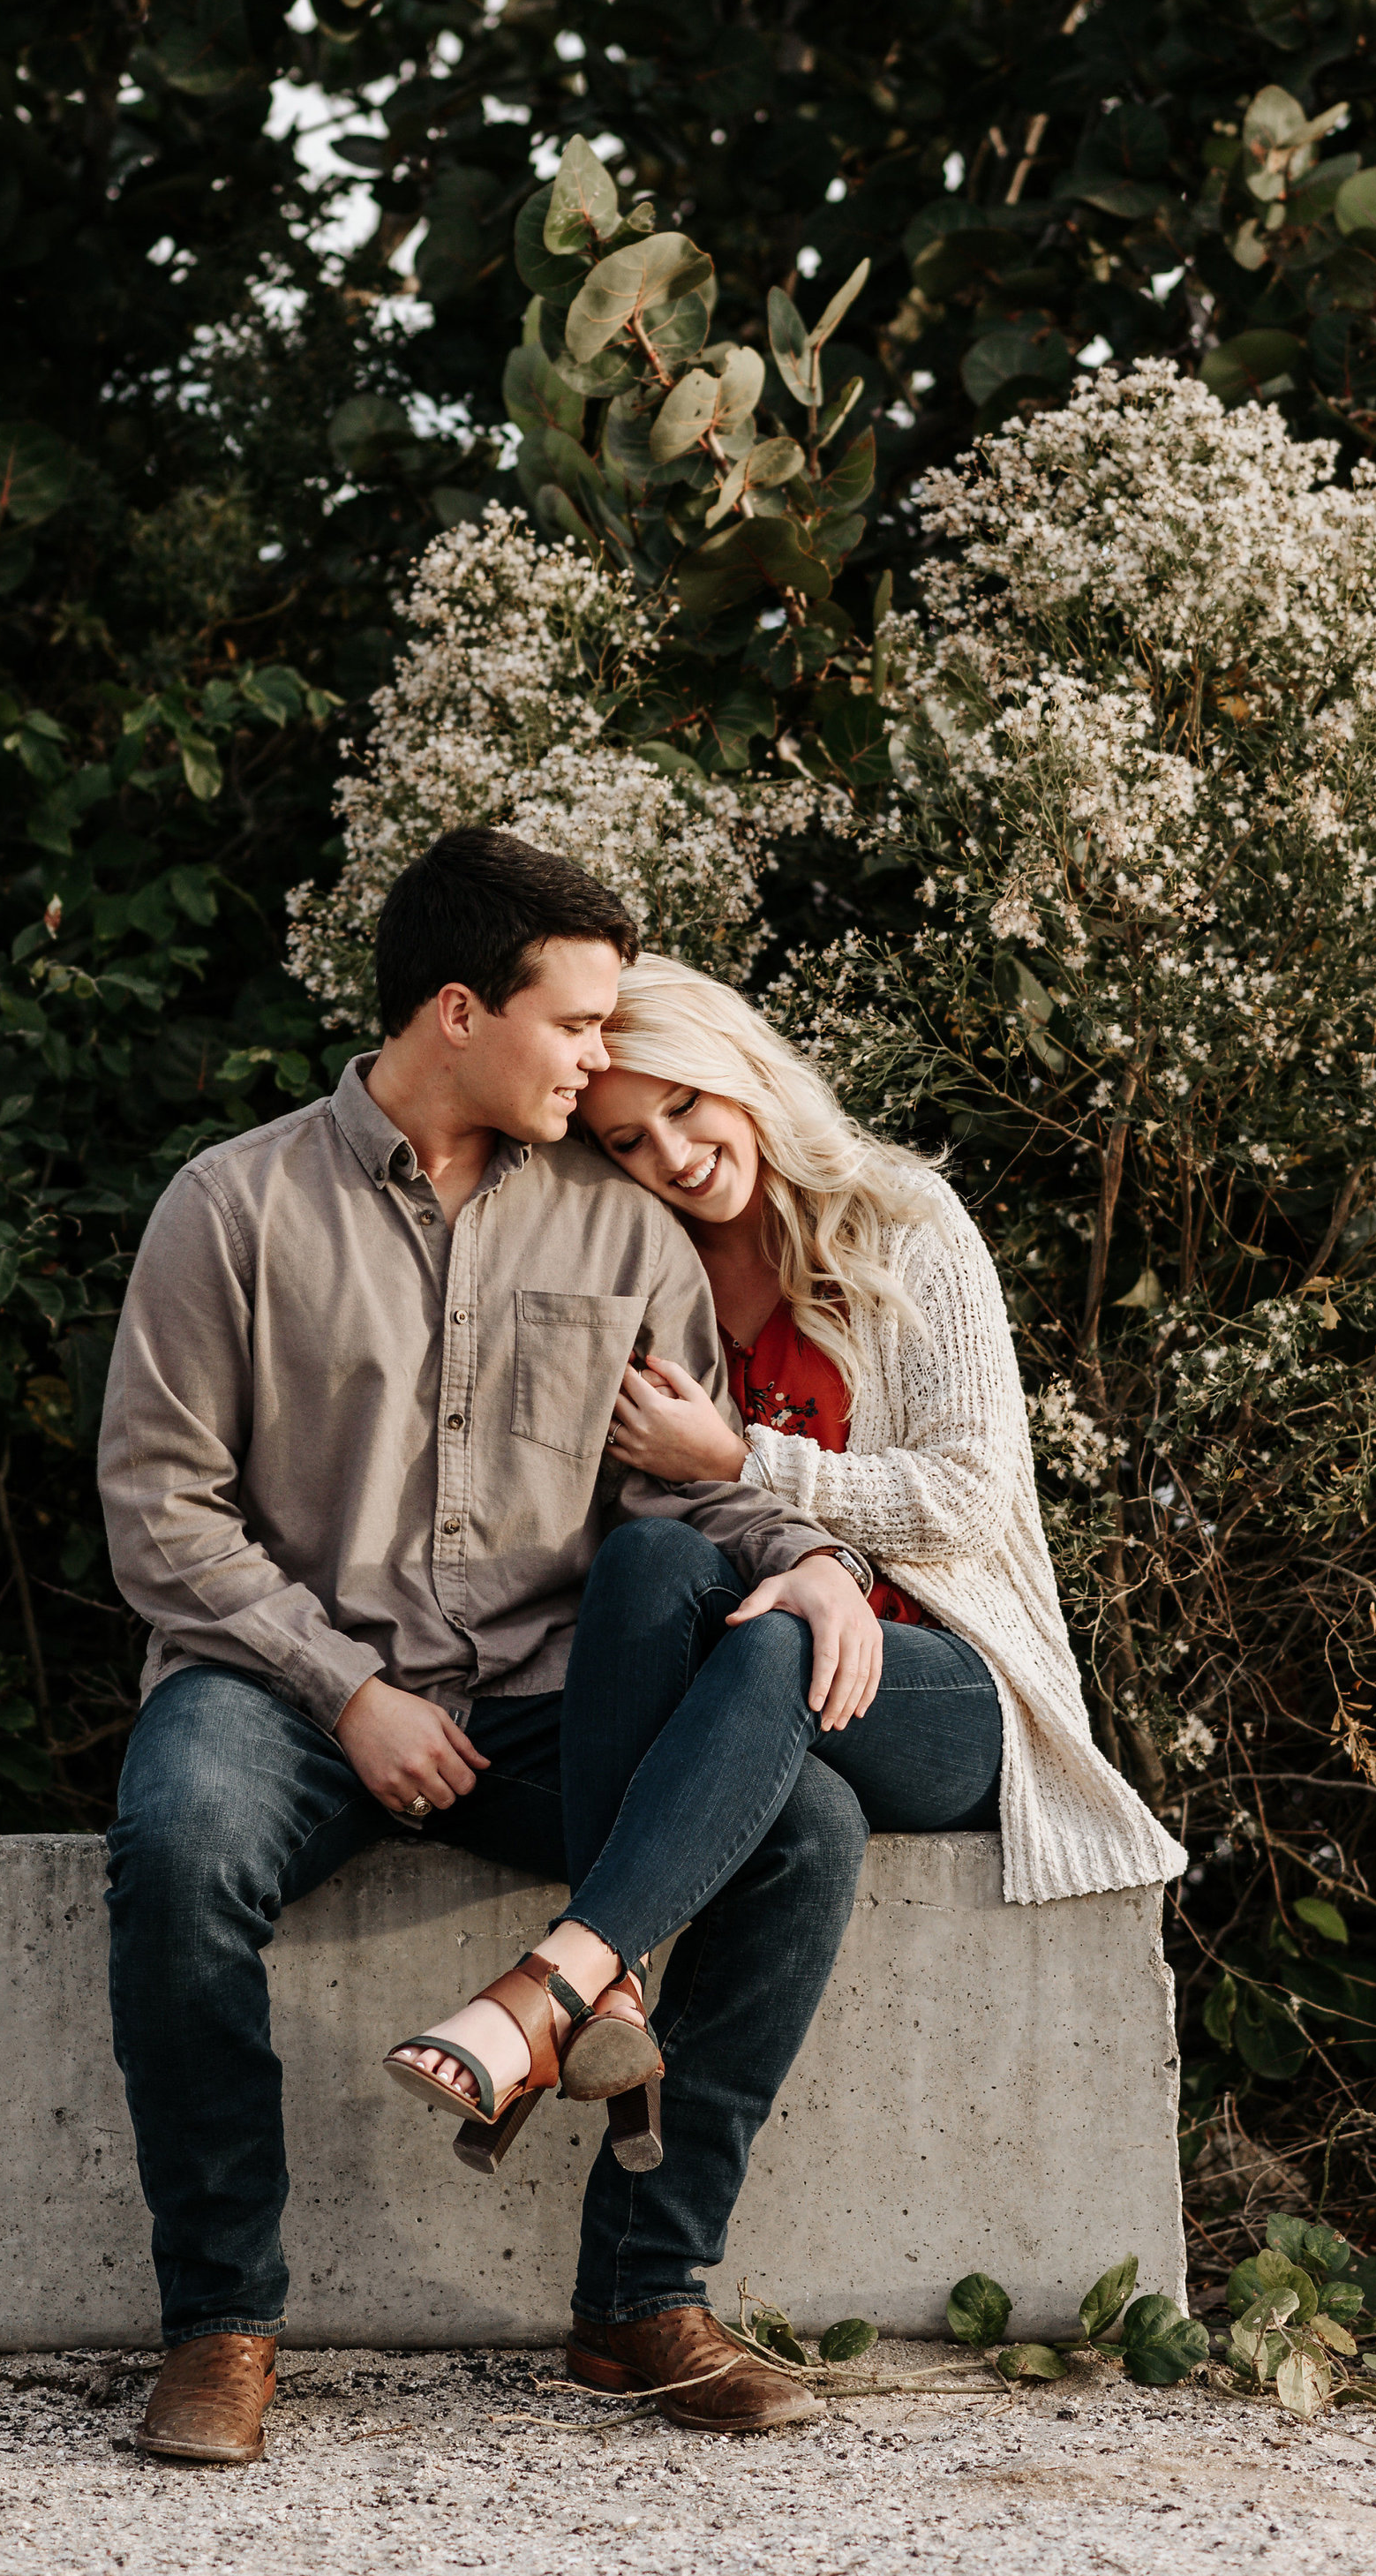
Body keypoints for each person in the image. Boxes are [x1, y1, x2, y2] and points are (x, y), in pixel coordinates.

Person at [99, 830, 882, 2468]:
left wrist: (806, 1562)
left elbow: (689, 1485)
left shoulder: (624, 1239)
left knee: (806, 1831)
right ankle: (219, 2326)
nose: (606, 1060)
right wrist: (348, 1689)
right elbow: (164, 1516)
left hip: (538, 1709)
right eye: (581, 1024)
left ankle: (638, 2301)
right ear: (461, 1011)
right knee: (179, 1842)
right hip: (284, 1694)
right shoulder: (230, 1210)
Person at [576, 953, 1188, 1914]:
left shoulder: (900, 1220)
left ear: (740, 1070)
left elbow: (967, 1501)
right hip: (742, 1689)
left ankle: (558, 1977)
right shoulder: (652, 1272)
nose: (672, 1152)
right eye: (627, 1140)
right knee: (803, 1812)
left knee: (778, 1643)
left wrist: (740, 1459)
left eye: (685, 1102)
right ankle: (642, 2034)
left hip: (948, 1677)